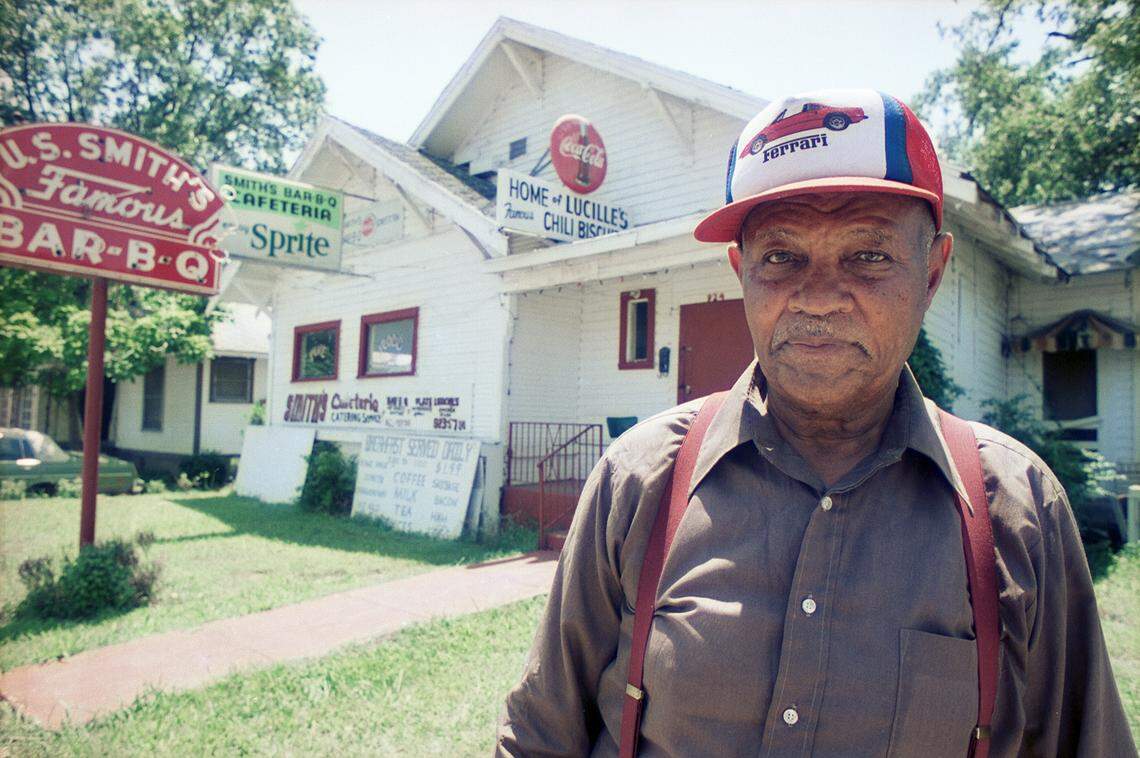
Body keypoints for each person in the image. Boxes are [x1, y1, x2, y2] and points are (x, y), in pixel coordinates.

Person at [494, 89, 1136, 757]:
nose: (820, 297)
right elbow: (540, 736)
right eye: (781, 257)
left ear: (934, 272)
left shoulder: (1018, 508)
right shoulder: (637, 482)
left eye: (869, 255)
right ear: (741, 272)